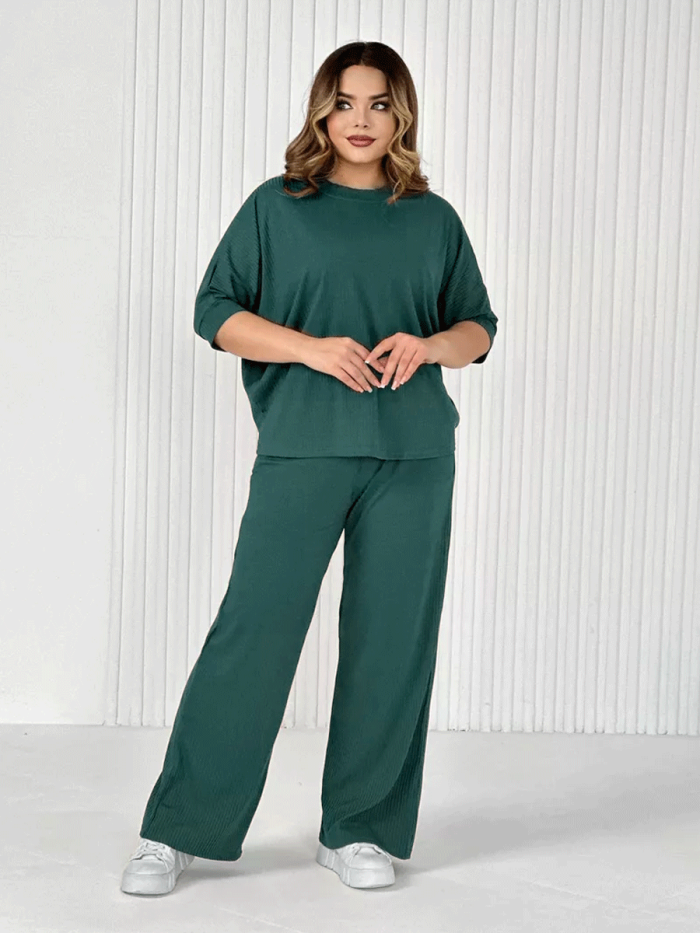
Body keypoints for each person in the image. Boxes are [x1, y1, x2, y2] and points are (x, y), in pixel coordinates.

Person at [120, 39, 498, 896]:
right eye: (345, 102)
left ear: (401, 114)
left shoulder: (433, 219)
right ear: (322, 112)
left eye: (379, 103)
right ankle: (178, 827)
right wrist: (311, 349)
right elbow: (215, 311)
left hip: (414, 454)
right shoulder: (277, 207)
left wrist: (430, 344)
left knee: (392, 641)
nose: (361, 120)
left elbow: (478, 327)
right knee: (253, 632)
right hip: (303, 445)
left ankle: (359, 825)